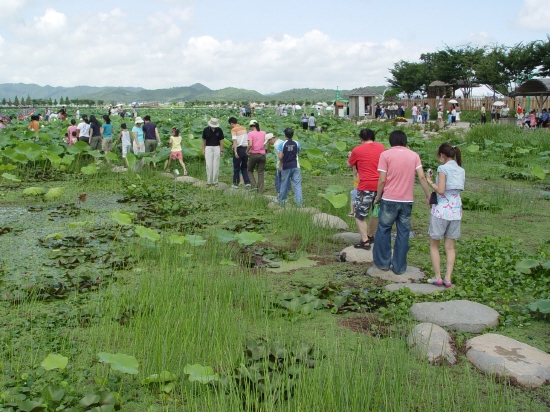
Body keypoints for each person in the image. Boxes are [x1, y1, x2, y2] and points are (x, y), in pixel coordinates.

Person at [372, 130, 431, 275]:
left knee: (384, 229)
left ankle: (383, 263)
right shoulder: (414, 155)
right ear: (405, 141)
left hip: (389, 199)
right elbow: (422, 177)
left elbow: (382, 180)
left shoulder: (385, 155)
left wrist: (378, 196)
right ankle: (399, 267)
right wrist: (428, 196)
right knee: (403, 232)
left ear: (391, 141)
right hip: (407, 201)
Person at [426, 144, 465, 288]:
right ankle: (448, 279)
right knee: (450, 247)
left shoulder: (442, 169)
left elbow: (441, 190)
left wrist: (430, 181)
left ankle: (438, 277)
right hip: (456, 211)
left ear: (442, 155)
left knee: (434, 245)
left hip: (441, 210)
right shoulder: (461, 170)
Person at [347, 128, 386, 250]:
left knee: (359, 215)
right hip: (381, 185)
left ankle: (365, 241)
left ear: (361, 138)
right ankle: (370, 235)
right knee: (376, 212)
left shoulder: (357, 149)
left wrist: (350, 156)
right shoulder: (381, 148)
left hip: (365, 187)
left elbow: (349, 164)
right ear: (373, 137)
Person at [278, 127, 303, 206]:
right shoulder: (296, 143)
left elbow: (280, 156)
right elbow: (297, 152)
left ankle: (282, 201)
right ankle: (299, 203)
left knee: (284, 183)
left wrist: (280, 165)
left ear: (285, 135)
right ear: (292, 135)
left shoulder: (282, 144)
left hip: (286, 166)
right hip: (296, 166)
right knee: (297, 184)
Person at [229, 117, 251, 188]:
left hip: (239, 149)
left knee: (236, 167)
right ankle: (247, 182)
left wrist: (235, 152)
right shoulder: (244, 128)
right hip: (245, 149)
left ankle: (235, 183)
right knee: (244, 167)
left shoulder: (233, 129)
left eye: (230, 124)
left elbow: (235, 141)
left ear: (232, 123)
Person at [201, 118, 225, 185]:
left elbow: (221, 141)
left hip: (217, 147)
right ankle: (209, 181)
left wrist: (221, 150)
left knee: (216, 164)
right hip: (208, 147)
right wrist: (203, 149)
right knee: (208, 165)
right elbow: (203, 140)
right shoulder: (206, 130)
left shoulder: (219, 130)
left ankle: (215, 181)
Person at [246, 120, 267, 193]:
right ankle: (261, 189)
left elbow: (250, 144)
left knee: (249, 170)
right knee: (260, 172)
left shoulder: (250, 133)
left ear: (251, 126)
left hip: (254, 154)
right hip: (262, 154)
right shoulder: (263, 133)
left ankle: (254, 186)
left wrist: (247, 151)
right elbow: (266, 143)